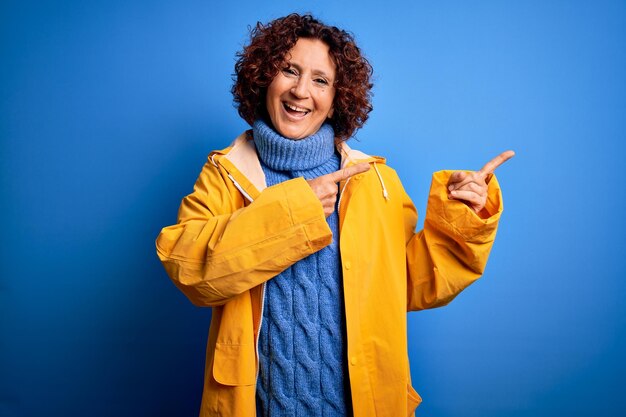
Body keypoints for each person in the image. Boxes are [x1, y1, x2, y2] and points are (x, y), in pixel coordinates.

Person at [156, 13, 514, 417]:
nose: (300, 90)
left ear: (337, 99)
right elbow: (188, 267)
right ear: (263, 78)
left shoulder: (373, 179)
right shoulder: (226, 174)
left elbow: (413, 283)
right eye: (288, 70)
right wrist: (296, 211)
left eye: (320, 80)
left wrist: (463, 217)